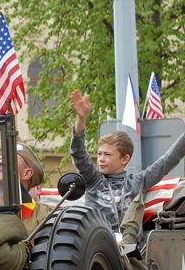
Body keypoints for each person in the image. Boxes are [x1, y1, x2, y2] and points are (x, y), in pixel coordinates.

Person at [70, 90, 185, 230]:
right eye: (99, 154)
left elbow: (168, 160)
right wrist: (81, 119)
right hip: (97, 241)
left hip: (130, 242)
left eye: (107, 154)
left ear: (124, 159)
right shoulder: (94, 180)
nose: (101, 159)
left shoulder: (137, 182)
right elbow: (78, 153)